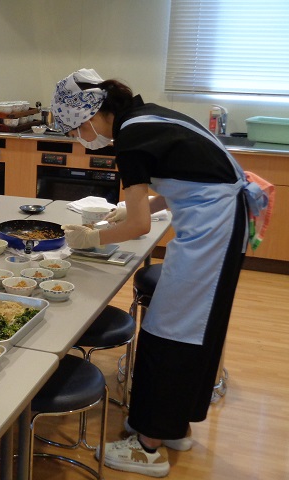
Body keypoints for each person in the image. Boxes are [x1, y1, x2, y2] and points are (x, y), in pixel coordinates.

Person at [51, 69, 251, 477]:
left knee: (172, 330)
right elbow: (187, 182)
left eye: (76, 130)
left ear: (92, 115)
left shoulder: (131, 137)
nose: (80, 138)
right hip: (221, 221)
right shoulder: (145, 117)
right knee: (190, 328)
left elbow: (138, 228)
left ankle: (148, 447)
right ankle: (170, 427)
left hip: (213, 230)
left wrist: (90, 238)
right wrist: (132, 208)